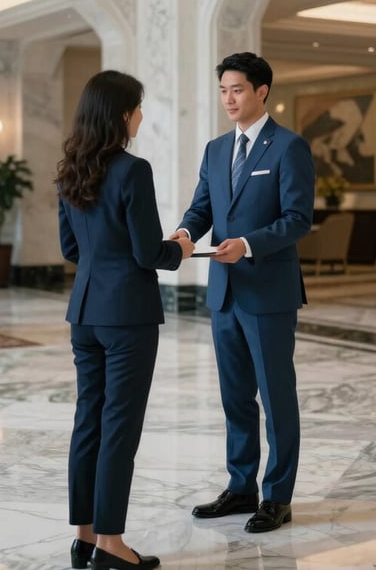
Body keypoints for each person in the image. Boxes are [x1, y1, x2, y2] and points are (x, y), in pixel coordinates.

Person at [169, 52, 315, 533]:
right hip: (224, 294)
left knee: (276, 398)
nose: (229, 99)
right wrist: (186, 234)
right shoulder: (215, 150)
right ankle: (240, 487)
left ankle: (277, 495)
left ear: (262, 92)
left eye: (237, 90)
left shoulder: (288, 147)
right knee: (235, 398)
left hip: (269, 294)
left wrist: (250, 245)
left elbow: (297, 219)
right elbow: (202, 208)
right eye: (223, 90)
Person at [56, 70, 195, 570]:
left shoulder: (70, 169)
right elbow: (146, 252)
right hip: (128, 318)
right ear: (121, 114)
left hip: (85, 314)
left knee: (87, 423)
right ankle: (113, 544)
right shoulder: (133, 171)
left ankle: (85, 537)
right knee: (119, 428)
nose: (141, 116)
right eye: (137, 107)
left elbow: (71, 248)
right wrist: (179, 248)